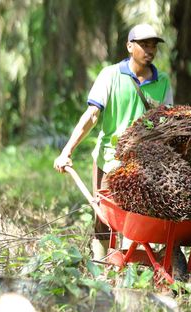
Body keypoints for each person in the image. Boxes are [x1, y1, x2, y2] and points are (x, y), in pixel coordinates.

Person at [53, 23, 173, 261]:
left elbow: (167, 122)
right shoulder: (110, 75)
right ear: (130, 46)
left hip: (144, 164)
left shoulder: (163, 81)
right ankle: (100, 270)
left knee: (136, 219)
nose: (150, 50)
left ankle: (129, 264)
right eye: (144, 45)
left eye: (153, 46)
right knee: (104, 217)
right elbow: (92, 115)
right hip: (110, 160)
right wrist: (67, 150)